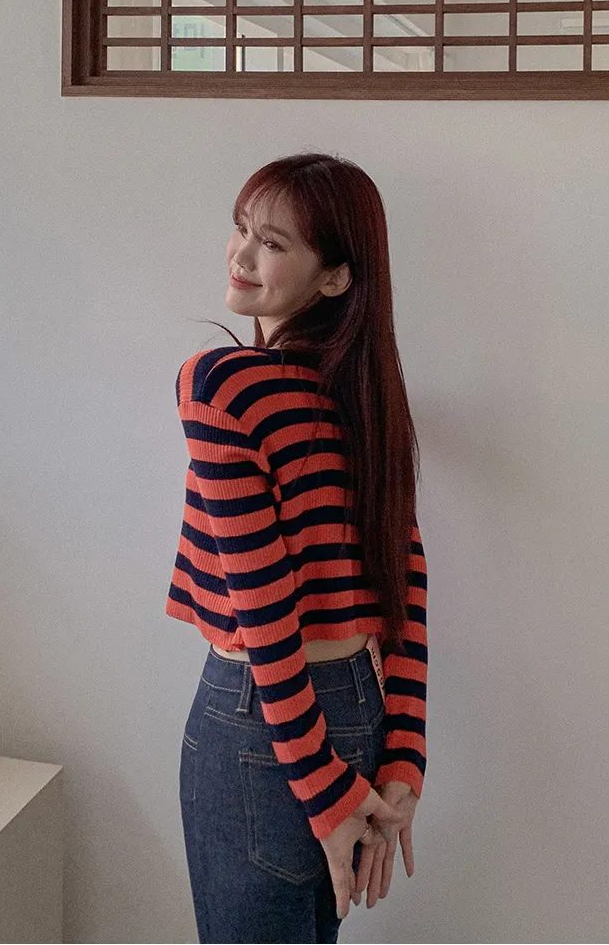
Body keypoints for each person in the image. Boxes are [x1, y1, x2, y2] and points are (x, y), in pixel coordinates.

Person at [166, 151, 428, 943]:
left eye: (273, 243)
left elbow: (265, 608)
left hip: (262, 718)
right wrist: (403, 756)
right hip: (360, 707)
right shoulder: (370, 401)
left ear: (337, 277)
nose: (242, 254)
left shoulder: (223, 386)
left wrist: (317, 782)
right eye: (242, 229)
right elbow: (405, 584)